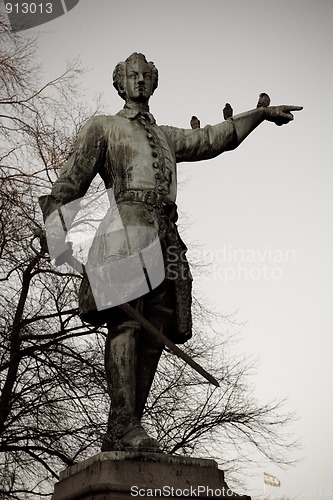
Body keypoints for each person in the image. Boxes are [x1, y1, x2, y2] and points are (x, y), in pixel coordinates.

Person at [39, 52, 302, 452]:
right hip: (125, 232)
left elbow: (214, 139)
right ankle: (124, 424)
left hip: (167, 237)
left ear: (154, 82)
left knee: (155, 331)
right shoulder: (103, 127)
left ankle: (125, 426)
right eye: (132, 76)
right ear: (120, 83)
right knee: (126, 324)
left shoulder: (166, 135)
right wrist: (57, 233)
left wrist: (259, 116)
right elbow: (70, 181)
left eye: (146, 76)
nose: (140, 81)